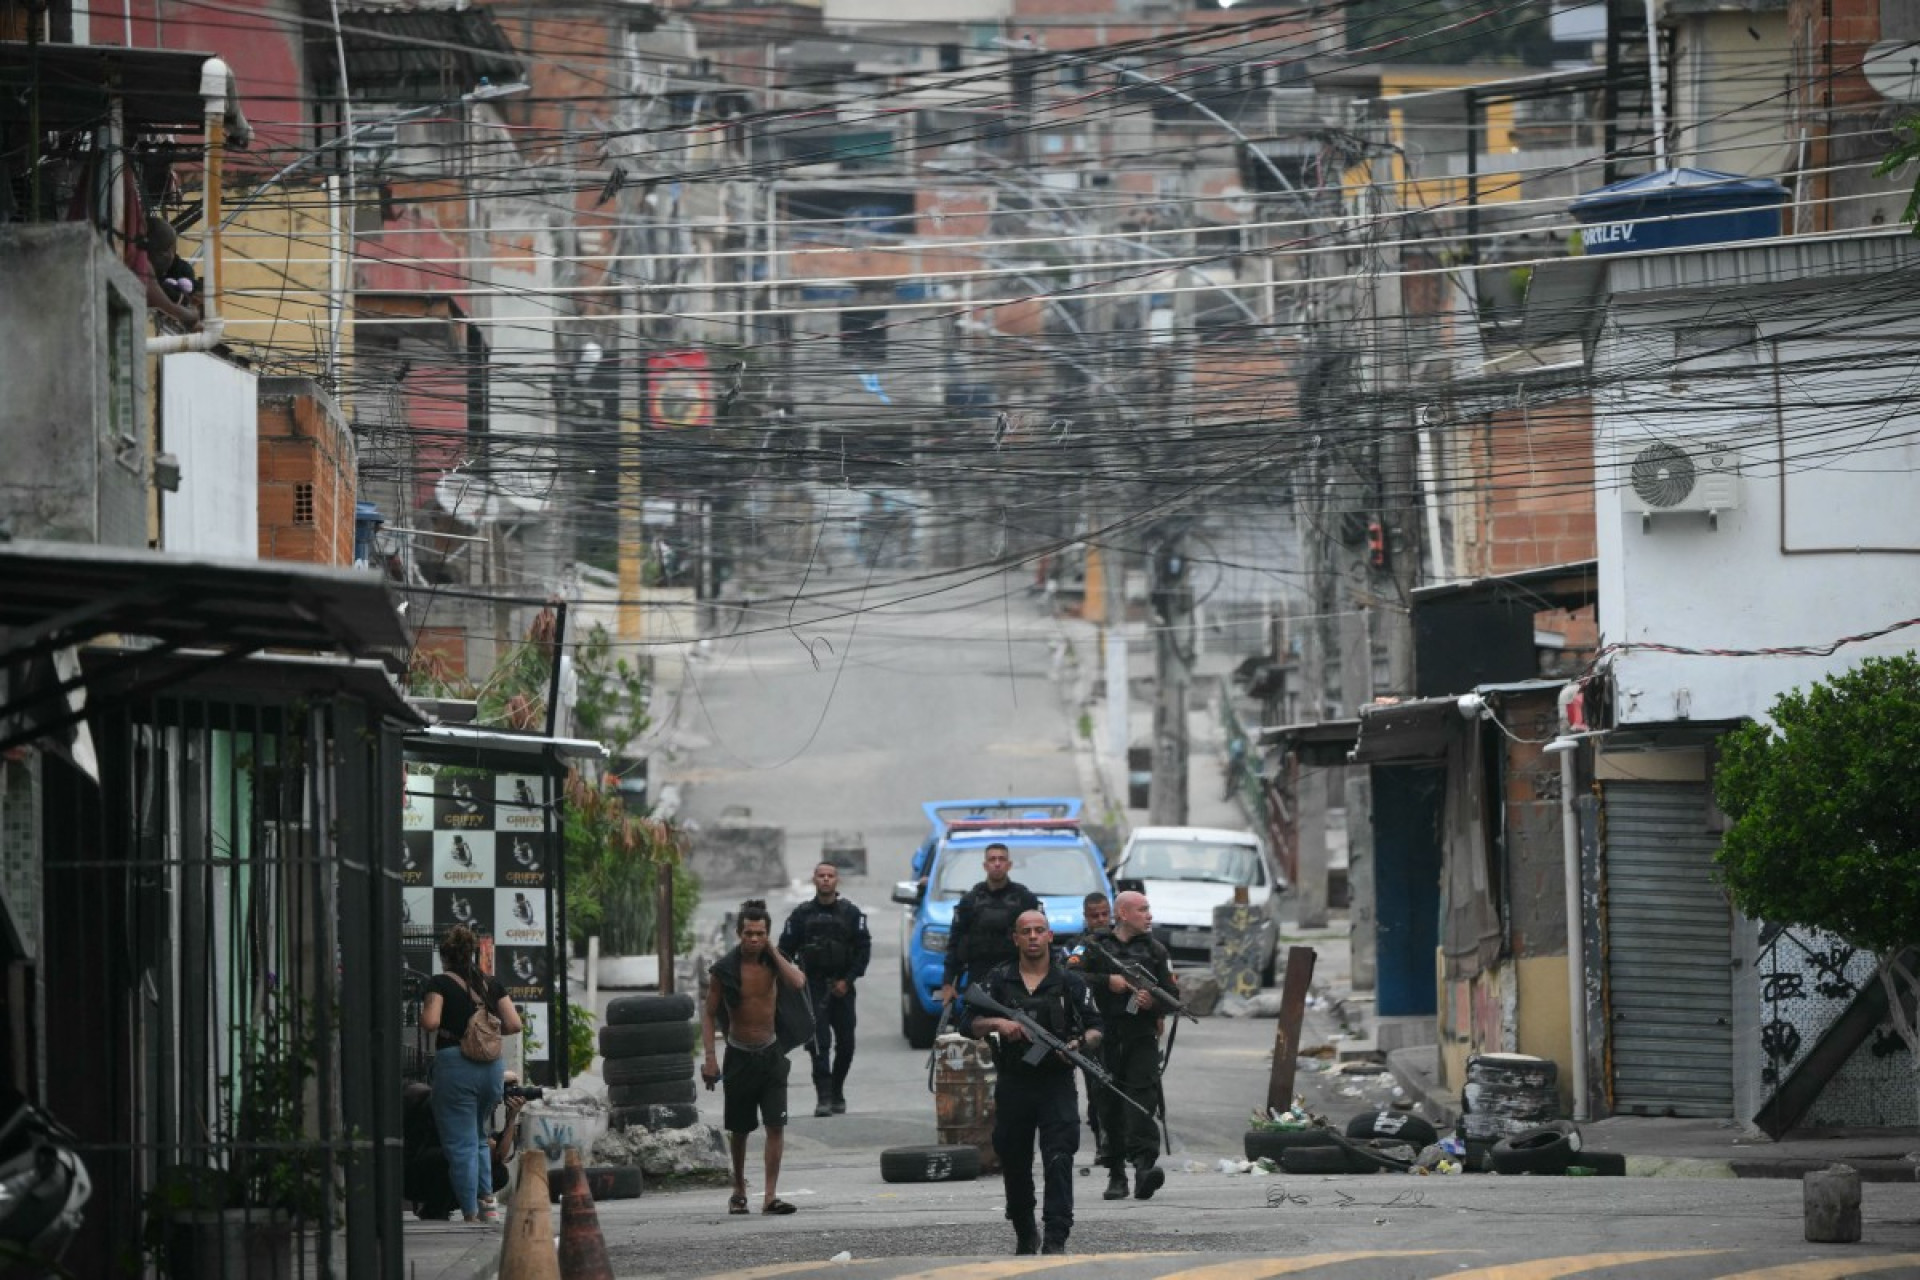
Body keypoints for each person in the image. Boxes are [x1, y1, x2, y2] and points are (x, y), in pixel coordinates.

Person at [959, 909, 1103, 1257]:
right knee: (1014, 1159)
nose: (1034, 936)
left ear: (1050, 936)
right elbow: (968, 1022)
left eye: (1040, 930)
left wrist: (1078, 1045)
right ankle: (1025, 1230)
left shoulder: (1070, 982)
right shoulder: (999, 980)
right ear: (1016, 938)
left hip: (1056, 1083)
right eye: (1027, 931)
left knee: (1059, 1158)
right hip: (1015, 1083)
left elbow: (1097, 1028)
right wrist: (999, 1024)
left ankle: (1056, 1235)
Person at [702, 899, 812, 1216]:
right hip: (738, 1055)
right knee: (740, 1129)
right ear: (739, 933)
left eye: (760, 933)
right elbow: (709, 1014)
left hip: (771, 1054)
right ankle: (738, 1190)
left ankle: (770, 1196)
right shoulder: (724, 970)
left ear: (767, 935)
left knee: (775, 1125)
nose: (753, 939)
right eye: (749, 933)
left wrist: (773, 952)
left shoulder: (775, 964)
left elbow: (798, 982)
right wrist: (710, 1058)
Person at [419, 924, 523, 1224]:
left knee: (460, 1144)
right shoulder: (491, 983)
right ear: (473, 953)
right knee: (477, 1138)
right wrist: (485, 1035)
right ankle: (488, 1204)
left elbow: (430, 1021)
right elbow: (514, 1024)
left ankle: (470, 1213)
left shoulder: (440, 983)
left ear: (445, 956)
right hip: (491, 1070)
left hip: (455, 1067)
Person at [1077, 889, 1173, 1201]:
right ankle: (1116, 1172)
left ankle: (1144, 1169)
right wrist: (1109, 982)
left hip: (1140, 1036)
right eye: (1142, 909)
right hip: (1104, 1036)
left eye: (1148, 909)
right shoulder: (1094, 946)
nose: (1149, 915)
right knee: (1108, 1102)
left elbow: (1173, 998)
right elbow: (1071, 976)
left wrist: (1152, 1002)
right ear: (1123, 914)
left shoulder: (1155, 950)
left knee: (1143, 1101)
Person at [779, 862, 873, 1117]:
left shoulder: (851, 914)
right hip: (813, 988)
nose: (825, 880)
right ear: (814, 880)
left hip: (843, 987)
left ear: (837, 880)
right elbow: (784, 951)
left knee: (846, 1045)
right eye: (821, 876)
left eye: (830, 876)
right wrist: (794, 982)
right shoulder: (801, 915)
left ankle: (837, 1089)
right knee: (819, 1045)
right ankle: (824, 1097)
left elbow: (864, 950)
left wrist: (848, 980)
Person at [938, 843, 1040, 1006]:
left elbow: (1040, 941)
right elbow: (955, 944)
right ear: (985, 865)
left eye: (1002, 859)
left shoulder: (1025, 899)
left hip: (1016, 975)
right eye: (992, 859)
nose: (997, 863)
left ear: (1009, 865)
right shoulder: (970, 901)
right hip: (978, 975)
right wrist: (948, 983)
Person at [1065, 891, 1113, 1168]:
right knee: (1097, 1087)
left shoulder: (1121, 942)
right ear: (1086, 917)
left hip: (1123, 1026)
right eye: (1094, 916)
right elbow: (1071, 974)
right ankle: (1103, 1143)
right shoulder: (1079, 947)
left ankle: (1126, 1142)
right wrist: (1108, 981)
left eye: (1105, 914)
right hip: (1092, 1026)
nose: (1101, 920)